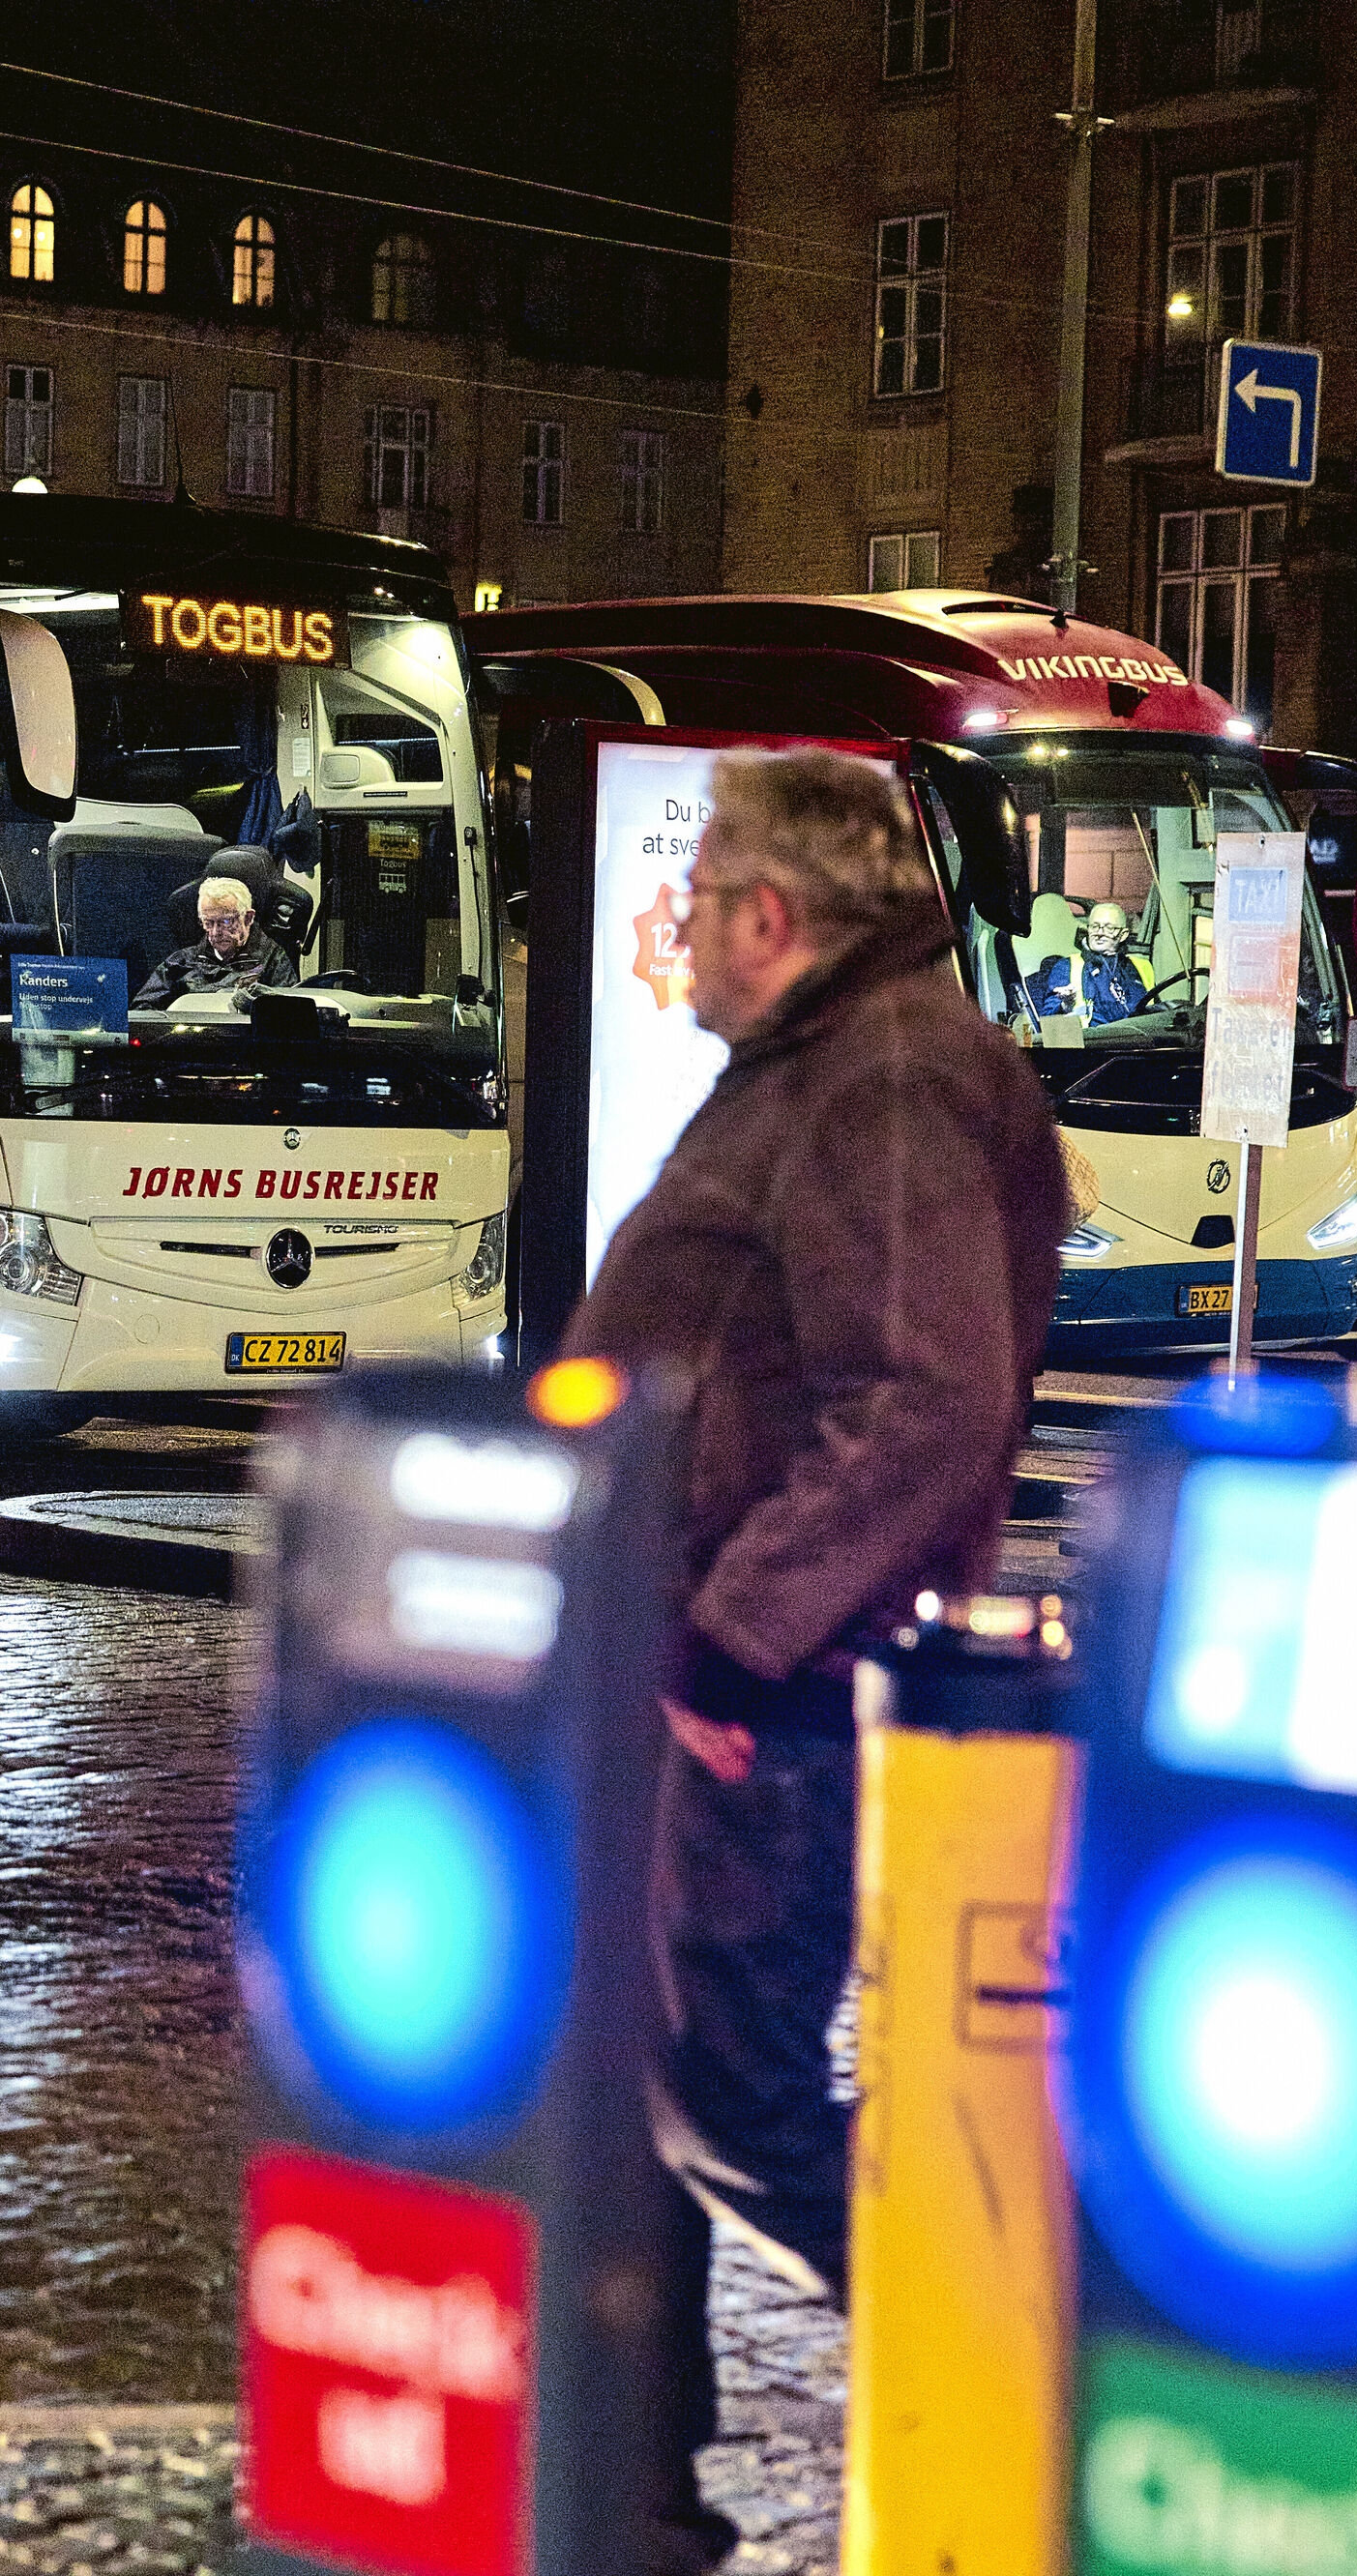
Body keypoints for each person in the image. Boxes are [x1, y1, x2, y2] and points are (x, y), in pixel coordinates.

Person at [558, 746, 1063, 2576]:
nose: (674, 934)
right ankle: (625, 2487)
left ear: (771, 918)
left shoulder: (891, 1074)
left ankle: (1038, 2355)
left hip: (759, 1680)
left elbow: (928, 1400)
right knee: (629, 2067)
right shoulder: (825, 1064)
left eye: (692, 904)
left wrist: (728, 1638)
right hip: (693, 1656)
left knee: (731, 2083)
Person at [133, 868, 298, 1004]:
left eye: (226, 921)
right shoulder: (181, 962)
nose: (215, 932)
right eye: (208, 922)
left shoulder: (274, 961)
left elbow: (286, 1017)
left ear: (248, 918)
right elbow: (142, 1009)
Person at [1028, 898, 1150, 1024]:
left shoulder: (1143, 967)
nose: (1099, 933)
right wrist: (1065, 1005)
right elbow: (1048, 1019)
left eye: (1109, 928)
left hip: (1139, 1037)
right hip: (1093, 1040)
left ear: (1123, 935)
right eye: (1095, 926)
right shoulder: (1067, 966)